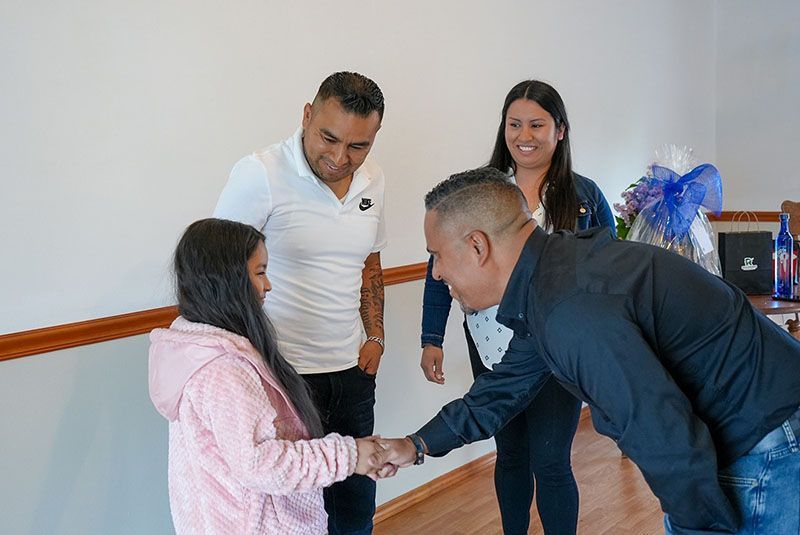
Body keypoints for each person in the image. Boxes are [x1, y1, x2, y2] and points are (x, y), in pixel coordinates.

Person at [373, 168, 800, 534]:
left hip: (767, 436)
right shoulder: (552, 275)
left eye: (437, 256)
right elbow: (501, 390)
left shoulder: (568, 309)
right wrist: (416, 445)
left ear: (478, 246)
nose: (437, 272)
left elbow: (664, 437)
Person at [420, 80, 616, 534]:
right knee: (509, 453)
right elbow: (442, 265)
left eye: (537, 124)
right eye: (514, 124)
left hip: (555, 344)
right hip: (488, 340)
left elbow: (607, 269)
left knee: (550, 459)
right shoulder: (477, 192)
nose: (523, 135)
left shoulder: (584, 196)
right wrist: (431, 338)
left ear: (560, 131)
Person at [212, 71, 386, 534]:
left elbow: (370, 261)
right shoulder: (260, 173)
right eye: (328, 138)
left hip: (351, 370)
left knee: (353, 506)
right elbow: (221, 271)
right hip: (281, 373)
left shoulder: (374, 179)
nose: (338, 157)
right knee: (293, 512)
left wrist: (376, 337)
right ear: (307, 115)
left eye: (357, 146)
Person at [148, 218, 383, 535]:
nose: (268, 285)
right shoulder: (223, 369)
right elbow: (261, 464)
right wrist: (349, 455)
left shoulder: (195, 348)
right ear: (227, 279)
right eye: (260, 272)